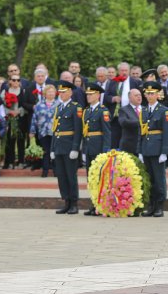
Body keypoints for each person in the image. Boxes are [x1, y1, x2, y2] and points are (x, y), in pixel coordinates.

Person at [138, 82, 168, 218]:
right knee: (149, 178)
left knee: (159, 179)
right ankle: (151, 205)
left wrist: (164, 151)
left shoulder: (164, 110)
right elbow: (141, 132)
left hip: (157, 149)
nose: (150, 96)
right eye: (148, 93)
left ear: (158, 94)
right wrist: (139, 150)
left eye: (153, 93)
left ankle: (159, 205)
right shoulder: (144, 110)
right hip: (146, 148)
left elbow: (167, 132)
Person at [50, 81, 83, 215]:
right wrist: (52, 148)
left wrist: (75, 148)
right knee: (61, 176)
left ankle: (74, 203)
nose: (61, 94)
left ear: (70, 92)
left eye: (64, 92)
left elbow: (78, 129)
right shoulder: (58, 108)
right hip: (58, 146)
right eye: (60, 92)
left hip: (69, 146)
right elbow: (55, 130)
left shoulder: (76, 107)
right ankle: (66, 201)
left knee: (70, 175)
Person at [81, 83, 112, 216]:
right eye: (87, 94)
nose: (88, 96)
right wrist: (83, 150)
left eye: (91, 94)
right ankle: (94, 204)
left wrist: (105, 150)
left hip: (98, 147)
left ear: (98, 95)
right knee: (91, 177)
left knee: (100, 178)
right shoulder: (87, 111)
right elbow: (85, 132)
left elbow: (107, 132)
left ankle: (101, 205)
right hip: (89, 148)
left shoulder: (103, 111)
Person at [29, 84, 59, 177]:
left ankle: (56, 171)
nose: (50, 94)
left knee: (54, 151)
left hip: (55, 132)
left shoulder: (59, 104)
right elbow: (34, 118)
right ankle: (45, 171)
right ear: (45, 94)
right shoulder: (39, 105)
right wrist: (32, 131)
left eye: (52, 92)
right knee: (45, 151)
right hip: (43, 132)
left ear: (55, 93)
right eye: (48, 92)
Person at [117, 89, 143, 155]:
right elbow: (123, 122)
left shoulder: (146, 109)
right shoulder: (124, 110)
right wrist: (141, 122)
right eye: (136, 95)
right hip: (129, 146)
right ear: (129, 98)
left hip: (143, 146)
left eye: (140, 95)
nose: (139, 97)